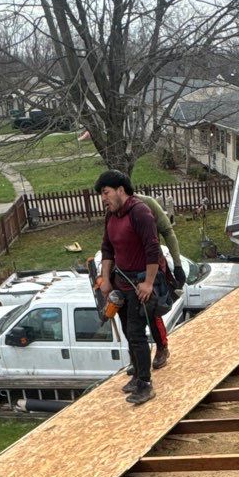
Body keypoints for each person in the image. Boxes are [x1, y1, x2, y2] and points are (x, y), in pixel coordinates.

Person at [95, 169, 159, 404]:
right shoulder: (111, 216)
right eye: (102, 194)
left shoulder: (140, 212)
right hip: (121, 283)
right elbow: (107, 248)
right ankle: (137, 374)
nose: (103, 198)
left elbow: (153, 249)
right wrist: (105, 279)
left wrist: (149, 283)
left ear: (121, 190)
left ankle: (145, 383)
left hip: (139, 283)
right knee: (127, 333)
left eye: (106, 192)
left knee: (136, 332)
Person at [134, 194, 185, 371]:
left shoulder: (147, 204)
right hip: (129, 268)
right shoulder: (114, 210)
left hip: (152, 264)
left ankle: (162, 347)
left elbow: (168, 232)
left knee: (152, 308)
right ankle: (139, 358)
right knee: (132, 313)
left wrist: (177, 265)